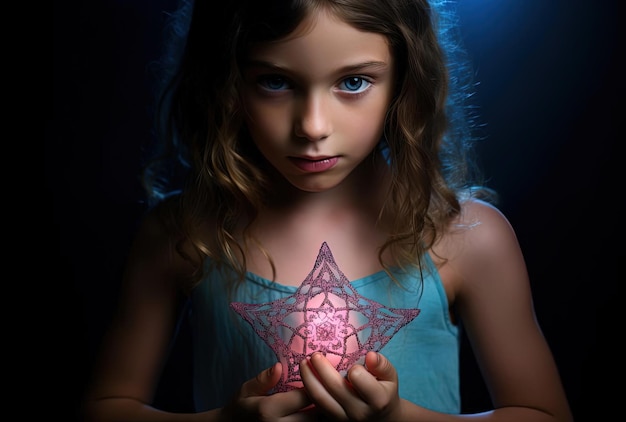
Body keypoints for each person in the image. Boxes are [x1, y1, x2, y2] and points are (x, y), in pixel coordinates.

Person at [82, 0, 574, 420]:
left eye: (354, 82)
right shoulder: (184, 233)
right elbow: (105, 405)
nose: (313, 126)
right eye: (275, 82)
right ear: (224, 81)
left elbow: (544, 413)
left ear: (404, 81)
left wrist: (400, 417)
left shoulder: (463, 236)